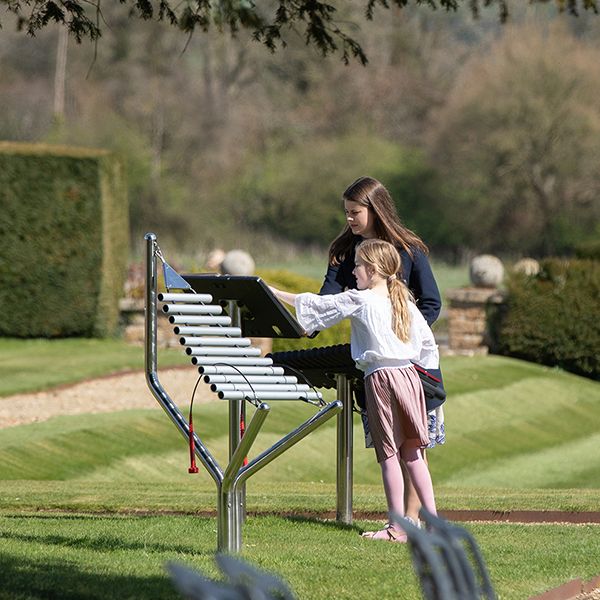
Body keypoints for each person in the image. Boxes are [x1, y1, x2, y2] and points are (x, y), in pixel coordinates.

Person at [270, 239, 438, 542]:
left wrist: (274, 293)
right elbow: (427, 345)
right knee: (413, 452)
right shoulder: (404, 302)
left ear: (372, 270)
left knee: (389, 455)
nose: (354, 270)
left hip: (381, 380)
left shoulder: (361, 299)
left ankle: (397, 528)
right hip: (410, 377)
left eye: (358, 265)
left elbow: (318, 305)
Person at [320, 175, 445, 525]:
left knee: (415, 447)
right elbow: (326, 301)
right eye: (345, 212)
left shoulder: (410, 251)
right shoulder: (344, 254)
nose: (348, 218)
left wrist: (399, 339)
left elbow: (432, 304)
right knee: (390, 445)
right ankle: (405, 522)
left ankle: (413, 519)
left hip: (413, 365)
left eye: (354, 212)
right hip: (373, 370)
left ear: (374, 209)